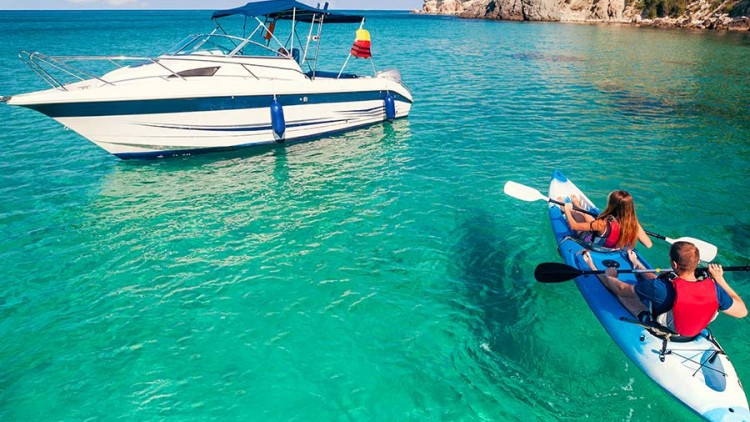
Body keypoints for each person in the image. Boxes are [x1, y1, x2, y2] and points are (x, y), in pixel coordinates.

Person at [583, 241, 747, 338]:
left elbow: (621, 289)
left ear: (674, 264)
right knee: (660, 284)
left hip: (669, 329)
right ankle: (637, 264)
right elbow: (742, 312)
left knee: (627, 298)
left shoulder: (660, 288)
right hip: (694, 330)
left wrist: (610, 275)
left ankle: (591, 264)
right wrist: (720, 279)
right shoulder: (715, 289)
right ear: (697, 263)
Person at [563, 190, 653, 250]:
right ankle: (578, 206)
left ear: (612, 205)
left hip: (595, 247)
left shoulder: (602, 223)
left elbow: (573, 226)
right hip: (614, 250)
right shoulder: (633, 223)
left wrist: (567, 210)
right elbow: (649, 244)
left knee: (576, 215)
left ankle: (566, 208)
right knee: (593, 223)